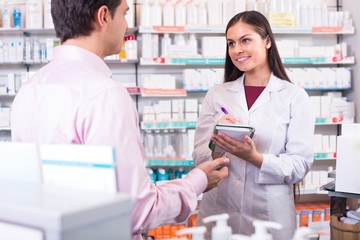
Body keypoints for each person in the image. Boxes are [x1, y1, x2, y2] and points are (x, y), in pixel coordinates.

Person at [10, 0, 230, 239]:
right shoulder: (104, 94)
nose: (127, 24)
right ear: (103, 16)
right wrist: (197, 181)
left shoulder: (30, 88)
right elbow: (137, 212)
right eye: (125, 13)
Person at [192, 11, 315, 240]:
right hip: (220, 212)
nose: (237, 49)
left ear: (267, 41)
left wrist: (255, 158)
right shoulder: (217, 95)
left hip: (270, 218)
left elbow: (300, 165)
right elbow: (199, 159)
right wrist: (216, 143)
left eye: (245, 40)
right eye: (231, 43)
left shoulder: (294, 97)